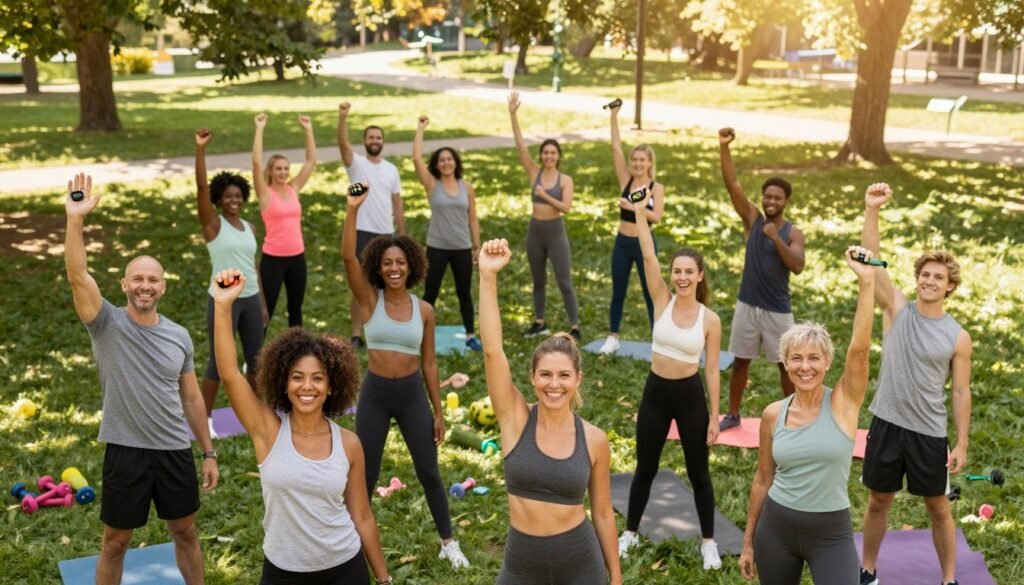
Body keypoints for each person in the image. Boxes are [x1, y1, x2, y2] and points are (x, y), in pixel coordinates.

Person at [63, 173, 218, 585]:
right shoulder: (105, 323)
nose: (144, 286)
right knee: (115, 542)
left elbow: (191, 398)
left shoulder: (178, 335)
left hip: (173, 449)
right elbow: (78, 275)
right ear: (124, 284)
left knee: (185, 532)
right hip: (126, 450)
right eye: (137, 278)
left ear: (162, 288)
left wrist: (208, 452)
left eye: (152, 280)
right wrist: (75, 219)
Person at [212, 269, 393, 585]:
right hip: (283, 572)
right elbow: (229, 374)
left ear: (331, 386)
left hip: (344, 568)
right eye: (297, 377)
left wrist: (384, 580)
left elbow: (363, 517)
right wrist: (223, 306)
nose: (307, 387)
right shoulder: (268, 431)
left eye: (317, 378)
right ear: (284, 383)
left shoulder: (348, 443)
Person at [478, 238, 623, 585]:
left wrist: (616, 578)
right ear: (532, 377)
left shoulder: (594, 439)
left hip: (580, 565)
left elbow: (603, 513)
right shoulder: (515, 420)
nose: (553, 384)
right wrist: (487, 276)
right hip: (521, 567)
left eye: (563, 376)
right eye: (545, 374)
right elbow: (493, 351)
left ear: (577, 379)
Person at [341, 185, 470, 569]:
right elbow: (347, 256)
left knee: (429, 470)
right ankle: (348, 543)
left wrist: (438, 411)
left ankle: (448, 543)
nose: (394, 268)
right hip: (376, 395)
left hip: (413, 395)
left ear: (411, 266)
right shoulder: (370, 301)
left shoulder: (424, 310)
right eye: (387, 263)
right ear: (378, 268)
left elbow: (429, 364)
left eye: (400, 262)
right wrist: (352, 210)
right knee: (365, 474)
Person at [737, 243, 878, 585]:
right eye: (796, 358)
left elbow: (859, 351)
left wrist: (866, 283)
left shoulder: (843, 404)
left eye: (814, 358)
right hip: (776, 529)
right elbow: (762, 480)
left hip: (830, 534)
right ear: (785, 363)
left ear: (827, 363)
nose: (805, 367)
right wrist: (748, 542)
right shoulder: (773, 414)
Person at [857, 185, 972, 585]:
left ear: (949, 286)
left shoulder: (958, 336)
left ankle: (949, 579)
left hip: (928, 432)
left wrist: (961, 442)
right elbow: (871, 260)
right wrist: (872, 210)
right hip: (887, 423)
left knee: (938, 507)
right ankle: (867, 570)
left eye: (938, 277)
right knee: (878, 501)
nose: (930, 281)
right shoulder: (897, 309)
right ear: (917, 278)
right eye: (925, 275)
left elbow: (961, 392)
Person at [616, 188, 723, 569]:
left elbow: (712, 369)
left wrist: (715, 416)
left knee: (699, 473)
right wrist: (639, 210)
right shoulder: (661, 299)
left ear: (699, 276)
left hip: (690, 397)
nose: (681, 277)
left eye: (688, 272)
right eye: (677, 271)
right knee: (645, 468)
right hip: (655, 393)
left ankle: (708, 542)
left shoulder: (710, 319)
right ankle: (630, 533)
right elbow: (648, 254)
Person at [717, 127, 805, 431]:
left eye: (777, 198)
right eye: (767, 196)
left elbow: (797, 266)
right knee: (740, 361)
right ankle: (733, 414)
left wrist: (775, 239)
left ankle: (793, 416)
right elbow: (732, 184)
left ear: (786, 202)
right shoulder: (753, 219)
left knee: (786, 364)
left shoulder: (792, 233)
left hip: (777, 310)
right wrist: (724, 146)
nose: (771, 201)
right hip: (747, 305)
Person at [194, 127, 266, 439]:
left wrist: (262, 302)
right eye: (228, 196)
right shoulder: (213, 225)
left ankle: (254, 414)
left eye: (238, 196)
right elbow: (200, 187)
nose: (234, 200)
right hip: (223, 301)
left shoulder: (250, 227)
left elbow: (253, 265)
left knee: (256, 361)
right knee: (218, 362)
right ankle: (204, 418)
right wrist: (200, 149)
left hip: (250, 299)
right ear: (219, 199)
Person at [507, 92, 580, 340]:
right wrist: (513, 114)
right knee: (538, 280)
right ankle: (539, 322)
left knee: (564, 281)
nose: (549, 156)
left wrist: (545, 195)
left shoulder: (565, 180)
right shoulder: (534, 172)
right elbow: (520, 146)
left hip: (555, 232)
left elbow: (566, 207)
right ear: (541, 155)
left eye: (553, 153)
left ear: (558, 156)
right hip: (535, 232)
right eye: (545, 153)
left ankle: (574, 326)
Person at [598, 101, 665, 354]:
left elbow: (657, 216)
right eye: (634, 159)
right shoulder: (625, 181)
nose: (637, 163)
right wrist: (614, 116)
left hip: (644, 244)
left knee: (651, 293)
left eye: (642, 160)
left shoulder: (655, 187)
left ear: (649, 163)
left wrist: (635, 207)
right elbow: (615, 147)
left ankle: (658, 340)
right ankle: (613, 336)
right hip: (623, 242)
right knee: (619, 291)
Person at [337, 102, 406, 348]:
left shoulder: (391, 169)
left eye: (378, 137)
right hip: (361, 232)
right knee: (360, 285)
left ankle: (381, 330)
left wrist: (402, 232)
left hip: (386, 233)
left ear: (382, 142)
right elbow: (343, 145)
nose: (375, 140)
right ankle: (357, 334)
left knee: (386, 285)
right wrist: (342, 117)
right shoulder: (357, 164)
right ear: (365, 141)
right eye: (371, 137)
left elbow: (396, 201)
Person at [412, 115, 483, 352]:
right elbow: (416, 159)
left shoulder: (467, 187)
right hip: (437, 247)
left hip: (462, 246)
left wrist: (477, 246)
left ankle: (470, 335)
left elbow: (472, 218)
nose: (446, 163)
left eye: (449, 159)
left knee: (464, 292)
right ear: (437, 164)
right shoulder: (432, 184)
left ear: (455, 162)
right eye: (441, 160)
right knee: (431, 292)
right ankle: (418, 334)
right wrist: (420, 129)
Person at [252, 112, 316, 330]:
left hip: (297, 257)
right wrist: (260, 128)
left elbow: (311, 161)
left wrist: (308, 130)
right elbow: (256, 162)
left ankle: (297, 348)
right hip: (273, 260)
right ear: (270, 171)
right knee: (266, 311)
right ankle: (257, 350)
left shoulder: (293, 188)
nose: (283, 172)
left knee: (295, 309)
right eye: (278, 168)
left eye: (286, 168)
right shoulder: (265, 194)